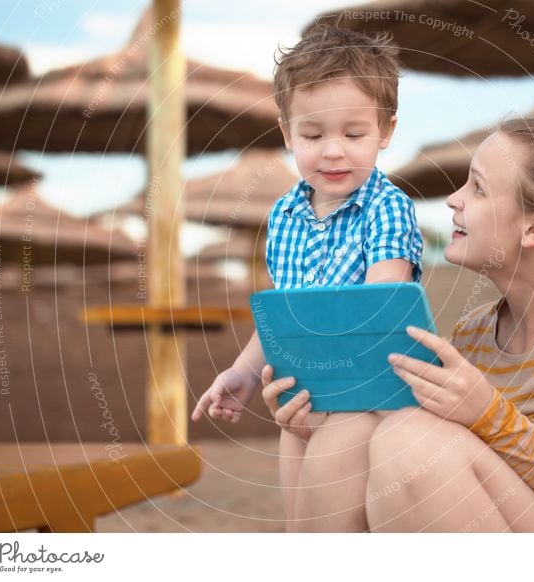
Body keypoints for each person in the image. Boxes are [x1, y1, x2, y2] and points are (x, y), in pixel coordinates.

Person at [264, 117, 534, 532]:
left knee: (407, 442)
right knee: (347, 430)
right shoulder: (472, 334)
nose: (452, 199)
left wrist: (488, 414)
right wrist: (310, 429)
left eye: (477, 188)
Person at [191, 26, 423, 531]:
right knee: (303, 531)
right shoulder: (284, 215)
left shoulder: (386, 208)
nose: (332, 151)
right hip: (299, 393)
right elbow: (283, 313)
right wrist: (244, 373)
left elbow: (379, 312)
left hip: (363, 405)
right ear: (287, 133)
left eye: (354, 134)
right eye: (314, 135)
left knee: (341, 530)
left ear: (386, 131)